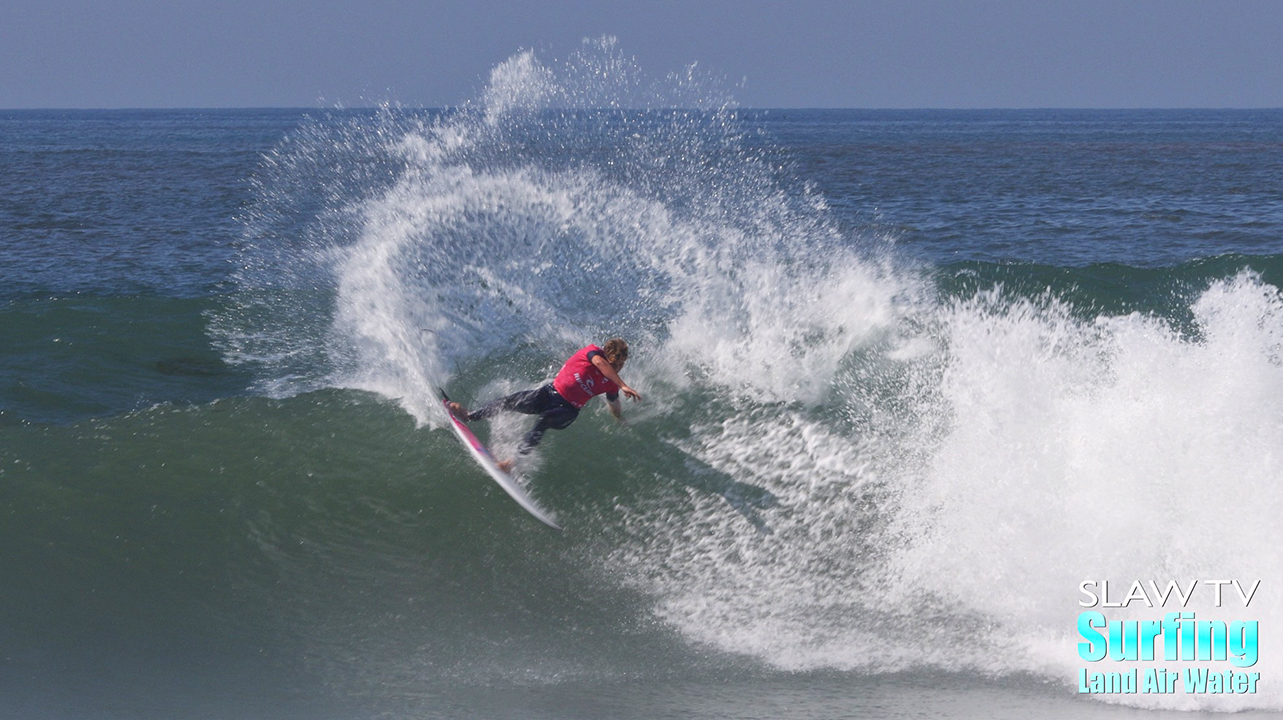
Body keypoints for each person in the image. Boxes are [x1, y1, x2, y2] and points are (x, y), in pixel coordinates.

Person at [446, 338, 642, 473]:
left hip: (568, 410)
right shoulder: (591, 353)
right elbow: (600, 363)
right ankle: (470, 415)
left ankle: (511, 463)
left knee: (544, 421)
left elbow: (613, 403)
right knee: (509, 402)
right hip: (548, 393)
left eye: (621, 365)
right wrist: (623, 383)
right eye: (615, 363)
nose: (618, 368)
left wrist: (619, 418)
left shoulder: (611, 383)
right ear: (606, 355)